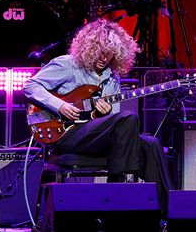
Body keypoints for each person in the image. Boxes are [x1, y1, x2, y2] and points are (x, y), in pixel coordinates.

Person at [23, 20, 172, 204]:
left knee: (151, 144)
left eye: (109, 54)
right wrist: (59, 105)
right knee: (129, 118)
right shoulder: (68, 65)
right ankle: (118, 193)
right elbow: (30, 86)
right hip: (65, 135)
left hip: (95, 137)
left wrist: (107, 112)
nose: (104, 58)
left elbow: (116, 124)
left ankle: (166, 213)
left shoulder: (112, 78)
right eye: (100, 51)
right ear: (90, 47)